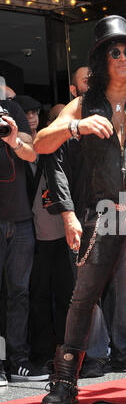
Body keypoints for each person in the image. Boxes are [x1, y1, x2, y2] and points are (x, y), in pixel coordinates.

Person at [36, 15, 126, 404]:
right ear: (102, 58)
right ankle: (65, 381)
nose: (122, 57)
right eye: (114, 51)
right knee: (83, 297)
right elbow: (40, 143)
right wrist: (76, 127)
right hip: (100, 214)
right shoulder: (83, 104)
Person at [14, 95, 74, 366]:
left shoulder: (60, 145)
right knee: (35, 296)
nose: (32, 117)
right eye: (27, 113)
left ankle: (66, 352)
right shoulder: (19, 145)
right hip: (32, 230)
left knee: (66, 295)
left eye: (36, 112)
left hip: (62, 230)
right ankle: (40, 352)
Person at [0, 91, 49, 382]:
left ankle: (17, 360)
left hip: (19, 219)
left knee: (19, 293)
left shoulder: (10, 108)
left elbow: (32, 152)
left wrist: (13, 139)